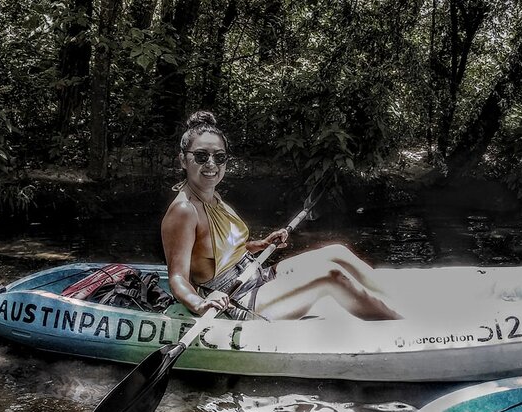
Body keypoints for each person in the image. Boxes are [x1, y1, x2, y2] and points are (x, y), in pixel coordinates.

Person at [161, 111, 402, 321]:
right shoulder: (184, 211)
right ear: (183, 159)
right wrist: (200, 304)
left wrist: (262, 244)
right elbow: (177, 278)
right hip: (237, 299)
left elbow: (221, 249)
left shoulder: (212, 196)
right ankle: (399, 324)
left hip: (255, 276)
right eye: (201, 156)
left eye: (219, 156)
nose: (211, 164)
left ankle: (397, 298)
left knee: (336, 251)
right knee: (331, 276)